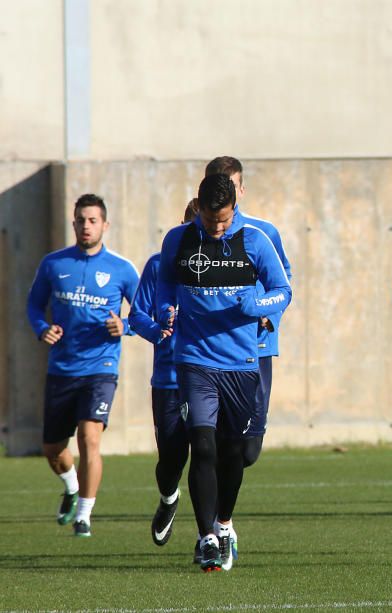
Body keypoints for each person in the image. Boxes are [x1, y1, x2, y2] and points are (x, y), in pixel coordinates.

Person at [157, 174, 291, 571]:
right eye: (211, 219)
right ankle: (206, 539)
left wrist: (258, 306)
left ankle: (224, 521)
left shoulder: (254, 240)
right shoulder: (178, 239)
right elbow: (166, 282)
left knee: (233, 454)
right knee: (202, 444)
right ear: (198, 206)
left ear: (235, 208)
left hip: (241, 363)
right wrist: (167, 308)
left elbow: (283, 290)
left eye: (225, 220)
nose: (218, 228)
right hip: (194, 360)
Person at [193, 156, 293, 564]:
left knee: (245, 450)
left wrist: (266, 313)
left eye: (232, 186)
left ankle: (222, 517)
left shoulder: (262, 233)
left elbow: (283, 281)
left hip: (255, 351)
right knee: (206, 444)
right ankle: (215, 529)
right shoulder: (193, 236)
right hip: (205, 357)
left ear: (241, 190)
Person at [26, 194, 140, 537]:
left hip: (101, 368)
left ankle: (85, 516)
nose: (86, 226)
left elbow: (143, 313)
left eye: (93, 220)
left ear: (105, 225)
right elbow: (33, 306)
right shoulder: (53, 264)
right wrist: (42, 329)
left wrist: (126, 326)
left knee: (90, 436)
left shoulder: (121, 269)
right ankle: (71, 486)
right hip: (62, 369)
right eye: (80, 220)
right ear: (73, 223)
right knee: (53, 449)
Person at [128, 201, 197, 547]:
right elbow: (136, 315)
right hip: (168, 380)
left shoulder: (221, 267)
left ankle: (214, 530)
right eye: (189, 227)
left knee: (207, 453)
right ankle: (169, 499)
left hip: (206, 374)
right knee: (171, 458)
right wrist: (157, 331)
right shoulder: (158, 266)